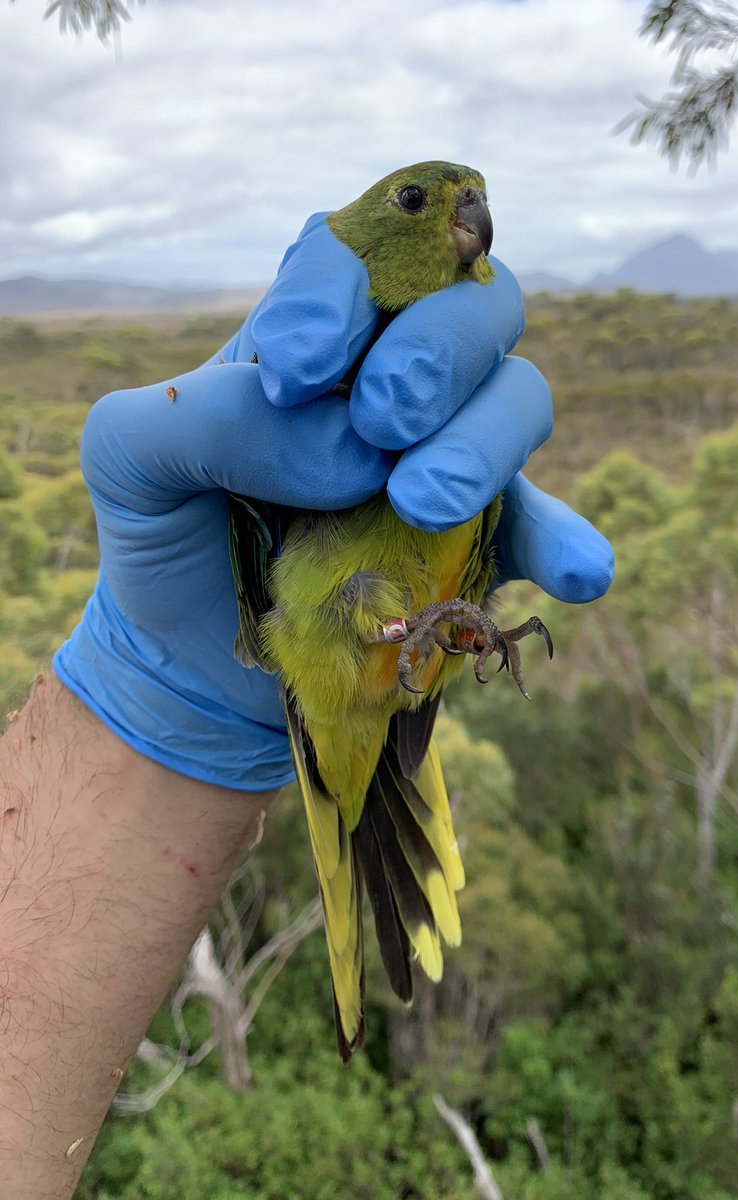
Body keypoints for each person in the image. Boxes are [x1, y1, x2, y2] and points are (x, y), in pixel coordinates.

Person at [0, 213, 614, 1199]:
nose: (463, 214)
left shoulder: (444, 395)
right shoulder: (311, 368)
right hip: (331, 642)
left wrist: (457, 608)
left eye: (471, 201)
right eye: (424, 200)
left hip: (390, 647)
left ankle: (418, 651)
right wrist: (142, 688)